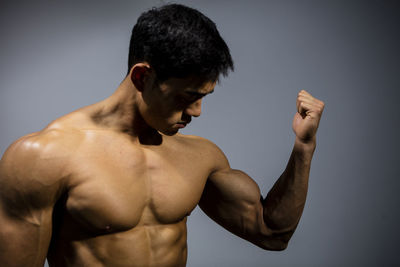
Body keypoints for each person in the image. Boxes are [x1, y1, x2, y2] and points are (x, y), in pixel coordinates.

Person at [0, 4, 325, 267]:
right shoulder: (44, 156)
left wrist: (304, 147)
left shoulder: (200, 156)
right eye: (186, 97)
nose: (197, 112)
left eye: (203, 97)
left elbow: (271, 234)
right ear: (142, 77)